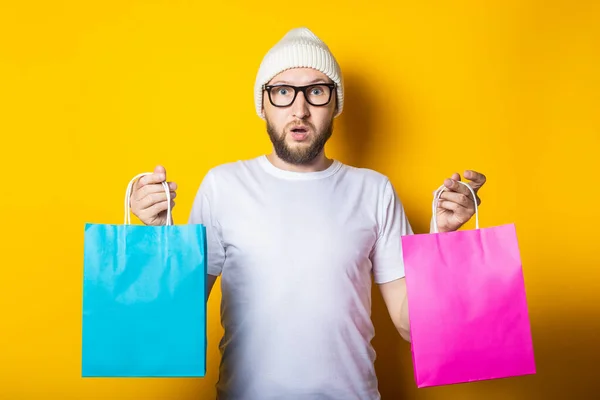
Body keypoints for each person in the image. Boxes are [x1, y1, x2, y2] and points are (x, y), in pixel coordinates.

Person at [130, 27, 486, 400]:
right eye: (283, 92)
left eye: (316, 92)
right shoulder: (223, 186)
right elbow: (178, 317)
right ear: (262, 104)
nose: (299, 110)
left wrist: (445, 242)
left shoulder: (374, 190)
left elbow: (411, 325)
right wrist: (157, 237)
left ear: (335, 104)